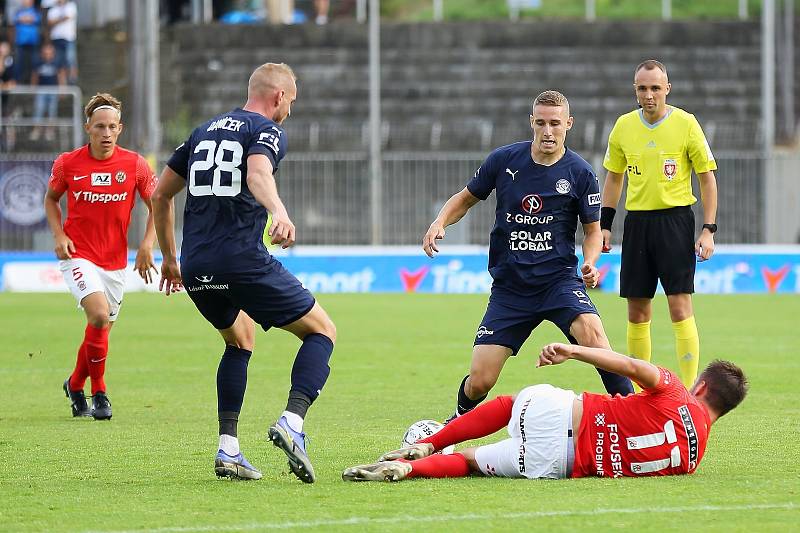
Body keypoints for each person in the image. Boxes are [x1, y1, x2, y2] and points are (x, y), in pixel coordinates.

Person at [152, 62, 336, 484]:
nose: (289, 110)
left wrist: (169, 258)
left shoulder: (201, 132)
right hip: (240, 260)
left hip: (196, 265)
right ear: (278, 96)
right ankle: (292, 422)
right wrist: (279, 210)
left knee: (240, 339)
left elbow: (160, 195)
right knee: (322, 330)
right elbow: (257, 171)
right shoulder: (266, 130)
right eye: (291, 101)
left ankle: (229, 449)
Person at [422, 90, 633, 424]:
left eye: (555, 124)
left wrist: (591, 261)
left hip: (558, 283)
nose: (547, 131)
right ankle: (457, 420)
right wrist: (439, 222)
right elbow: (464, 199)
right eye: (541, 123)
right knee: (480, 381)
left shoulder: (580, 173)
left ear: (569, 124)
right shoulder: (504, 160)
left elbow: (593, 230)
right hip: (511, 289)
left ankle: (633, 416)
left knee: (593, 336)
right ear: (531, 123)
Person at [342, 343, 747, 482]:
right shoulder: (693, 460)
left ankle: (427, 444)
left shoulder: (676, 390)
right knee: (467, 464)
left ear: (702, 387)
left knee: (506, 405)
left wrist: (573, 350)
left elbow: (628, 365)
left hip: (565, 415)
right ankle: (409, 470)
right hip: (555, 463)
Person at [600, 59, 718, 388]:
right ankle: (644, 392)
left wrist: (708, 229)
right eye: (642, 88)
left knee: (679, 305)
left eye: (655, 87)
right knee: (637, 310)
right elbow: (613, 178)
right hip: (637, 224)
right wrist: (605, 224)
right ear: (635, 91)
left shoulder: (686, 123)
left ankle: (689, 392)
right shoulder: (623, 126)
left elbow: (707, 180)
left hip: (676, 221)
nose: (649, 94)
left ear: (667, 88)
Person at [44, 93, 158, 420]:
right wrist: (59, 235)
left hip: (115, 262)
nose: (105, 133)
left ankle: (75, 383)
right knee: (98, 315)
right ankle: (101, 393)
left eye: (111, 127)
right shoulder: (68, 163)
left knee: (101, 329)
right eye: (99, 127)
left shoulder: (134, 165)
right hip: (78, 254)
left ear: (120, 129)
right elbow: (51, 200)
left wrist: (148, 244)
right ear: (88, 129)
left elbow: (160, 204)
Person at [30, 42, 64, 142]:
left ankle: (50, 130)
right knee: (38, 109)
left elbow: (60, 76)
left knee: (52, 110)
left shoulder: (57, 62)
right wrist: (33, 89)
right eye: (45, 53)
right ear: (42, 53)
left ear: (53, 53)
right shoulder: (38, 62)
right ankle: (36, 129)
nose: (47, 55)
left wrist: (62, 89)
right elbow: (34, 76)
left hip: (53, 89)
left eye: (49, 53)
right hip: (41, 89)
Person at [45, 0, 78, 84]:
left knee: (70, 60)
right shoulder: (53, 9)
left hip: (69, 38)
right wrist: (62, 18)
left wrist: (57, 20)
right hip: (56, 38)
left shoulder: (71, 6)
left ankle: (72, 81)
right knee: (59, 62)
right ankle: (62, 83)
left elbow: (68, 17)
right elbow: (50, 22)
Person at [12, 0, 40, 84]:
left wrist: (23, 19)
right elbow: (16, 19)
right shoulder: (18, 11)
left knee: (33, 63)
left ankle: (32, 82)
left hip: (32, 42)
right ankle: (19, 81)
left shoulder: (35, 11)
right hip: (20, 42)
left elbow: (35, 19)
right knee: (20, 63)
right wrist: (28, 19)